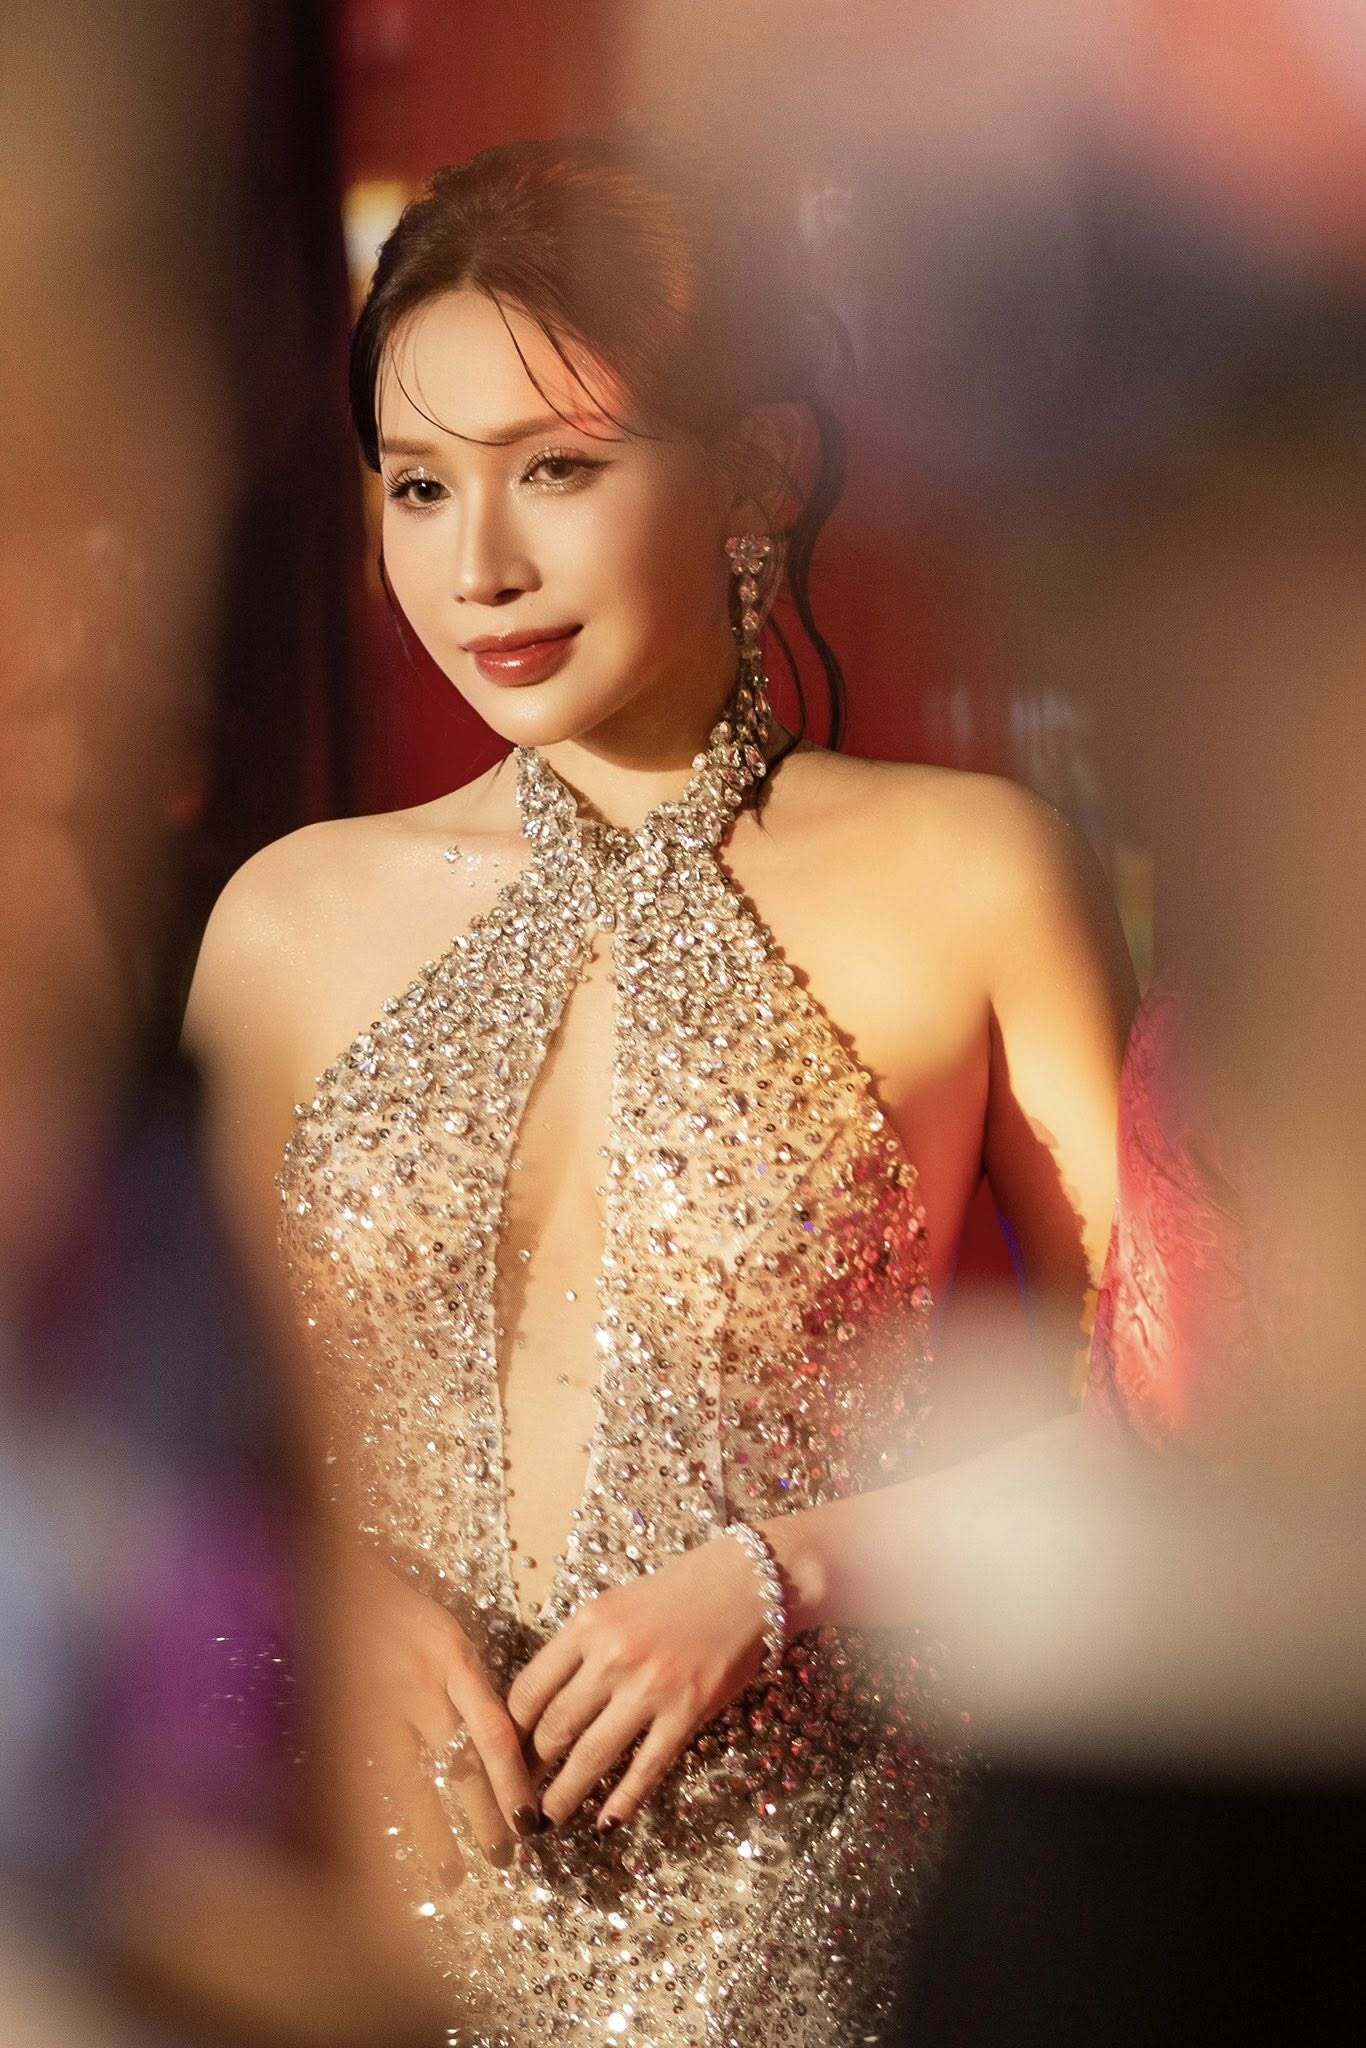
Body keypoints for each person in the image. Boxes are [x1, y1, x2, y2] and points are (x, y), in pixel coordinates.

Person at [182, 135, 1136, 2046]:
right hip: (354, 1921)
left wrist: (781, 1576)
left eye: (557, 469)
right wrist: (331, 1594)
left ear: (756, 472)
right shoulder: (286, 919)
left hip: (812, 1924)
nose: (479, 565)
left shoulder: (969, 874)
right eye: (418, 485)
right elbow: (153, 1443)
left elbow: (1175, 1409)